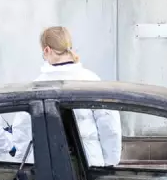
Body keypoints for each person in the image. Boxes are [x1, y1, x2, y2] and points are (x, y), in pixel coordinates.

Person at [13, 27, 122, 167]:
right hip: (89, 163)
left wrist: (22, 163)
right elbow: (110, 126)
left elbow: (22, 130)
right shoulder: (91, 80)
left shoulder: (37, 86)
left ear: (46, 50)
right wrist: (108, 163)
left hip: (48, 166)